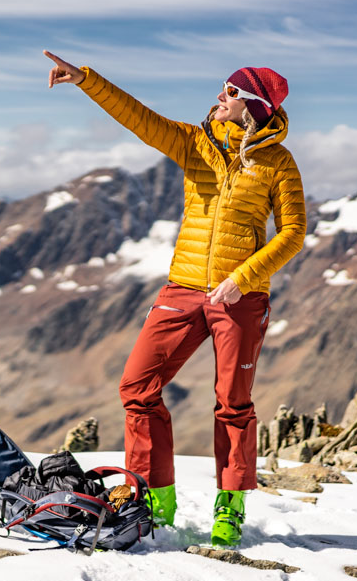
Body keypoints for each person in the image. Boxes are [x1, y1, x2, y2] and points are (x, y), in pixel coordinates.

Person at [44, 50, 306, 547]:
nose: (219, 97)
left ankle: (229, 507)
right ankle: (151, 494)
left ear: (251, 102)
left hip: (241, 298)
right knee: (137, 387)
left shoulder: (278, 163)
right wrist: (85, 80)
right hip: (183, 288)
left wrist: (245, 278)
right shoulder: (196, 143)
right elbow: (139, 119)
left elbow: (293, 233)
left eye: (229, 91)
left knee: (233, 404)